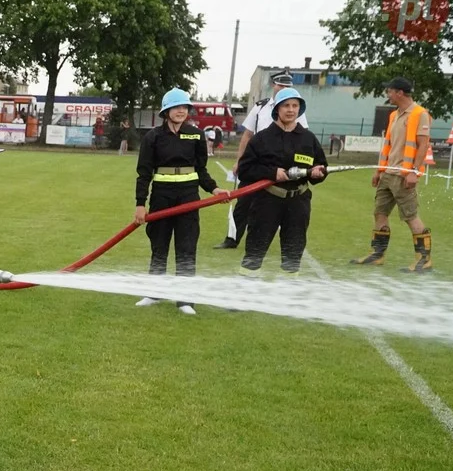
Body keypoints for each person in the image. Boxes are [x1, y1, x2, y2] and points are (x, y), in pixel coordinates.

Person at [133, 88, 225, 315]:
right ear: (167, 111)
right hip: (161, 197)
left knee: (186, 248)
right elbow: (144, 173)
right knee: (159, 246)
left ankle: (185, 301)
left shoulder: (195, 134)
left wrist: (214, 189)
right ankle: (154, 293)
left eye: (184, 107)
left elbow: (201, 169)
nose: (181, 111)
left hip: (188, 197)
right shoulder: (153, 137)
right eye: (176, 107)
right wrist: (140, 203)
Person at [236, 88, 328, 275]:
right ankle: (243, 294)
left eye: (295, 106)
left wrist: (319, 173)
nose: (290, 110)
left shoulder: (308, 139)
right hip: (267, 201)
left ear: (299, 109)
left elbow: (321, 165)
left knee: (293, 253)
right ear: (277, 109)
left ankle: (289, 298)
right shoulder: (262, 138)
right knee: (255, 251)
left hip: (298, 202)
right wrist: (272, 173)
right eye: (286, 105)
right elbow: (245, 170)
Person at [214, 69, 309, 249]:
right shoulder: (260, 107)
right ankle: (232, 238)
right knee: (243, 201)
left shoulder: (296, 110)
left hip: (281, 165)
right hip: (257, 162)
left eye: (287, 86)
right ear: (274, 85)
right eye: (281, 85)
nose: (283, 88)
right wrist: (239, 161)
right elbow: (247, 135)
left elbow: (301, 137)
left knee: (280, 203)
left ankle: (276, 242)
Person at [352, 77, 433, 272]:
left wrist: (413, 172)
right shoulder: (394, 115)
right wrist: (379, 170)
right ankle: (377, 255)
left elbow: (423, 145)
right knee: (379, 212)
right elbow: (388, 145)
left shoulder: (420, 114)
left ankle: (424, 259)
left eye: (389, 91)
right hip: (388, 173)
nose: (387, 95)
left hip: (404, 175)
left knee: (410, 216)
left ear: (400, 93)